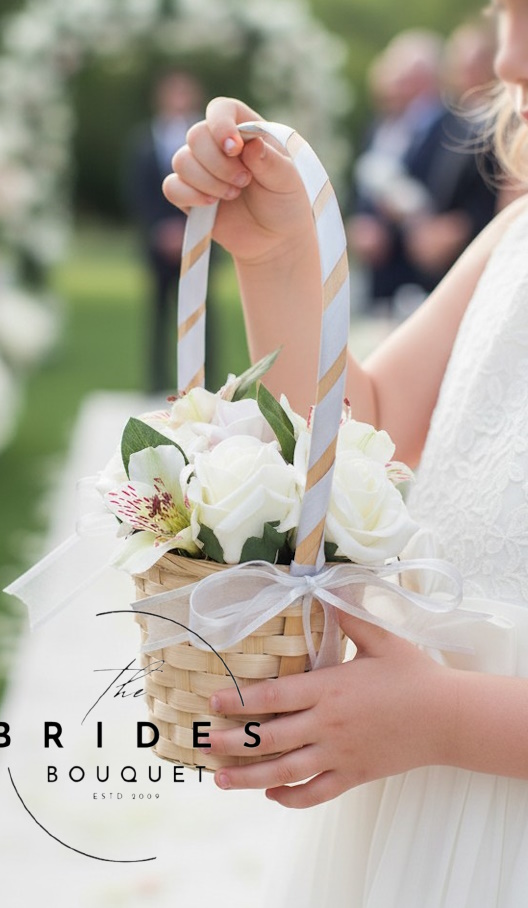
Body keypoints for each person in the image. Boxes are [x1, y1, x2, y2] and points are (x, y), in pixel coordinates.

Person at [163, 0, 528, 901]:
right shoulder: (517, 238)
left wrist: (449, 719)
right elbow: (367, 430)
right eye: (503, 11)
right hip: (426, 823)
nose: (508, 59)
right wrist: (278, 254)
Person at [349, 27, 499, 317]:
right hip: (384, 279)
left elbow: (476, 196)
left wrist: (454, 228)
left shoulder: (457, 126)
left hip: (435, 276)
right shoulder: (377, 128)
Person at [127, 70, 219, 392]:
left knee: (205, 311)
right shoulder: (144, 140)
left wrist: (189, 228)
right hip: (158, 244)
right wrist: (159, 229)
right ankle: (157, 382)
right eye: (173, 93)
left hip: (200, 236)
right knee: (158, 313)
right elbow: (139, 191)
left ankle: (210, 382)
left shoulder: (209, 139)